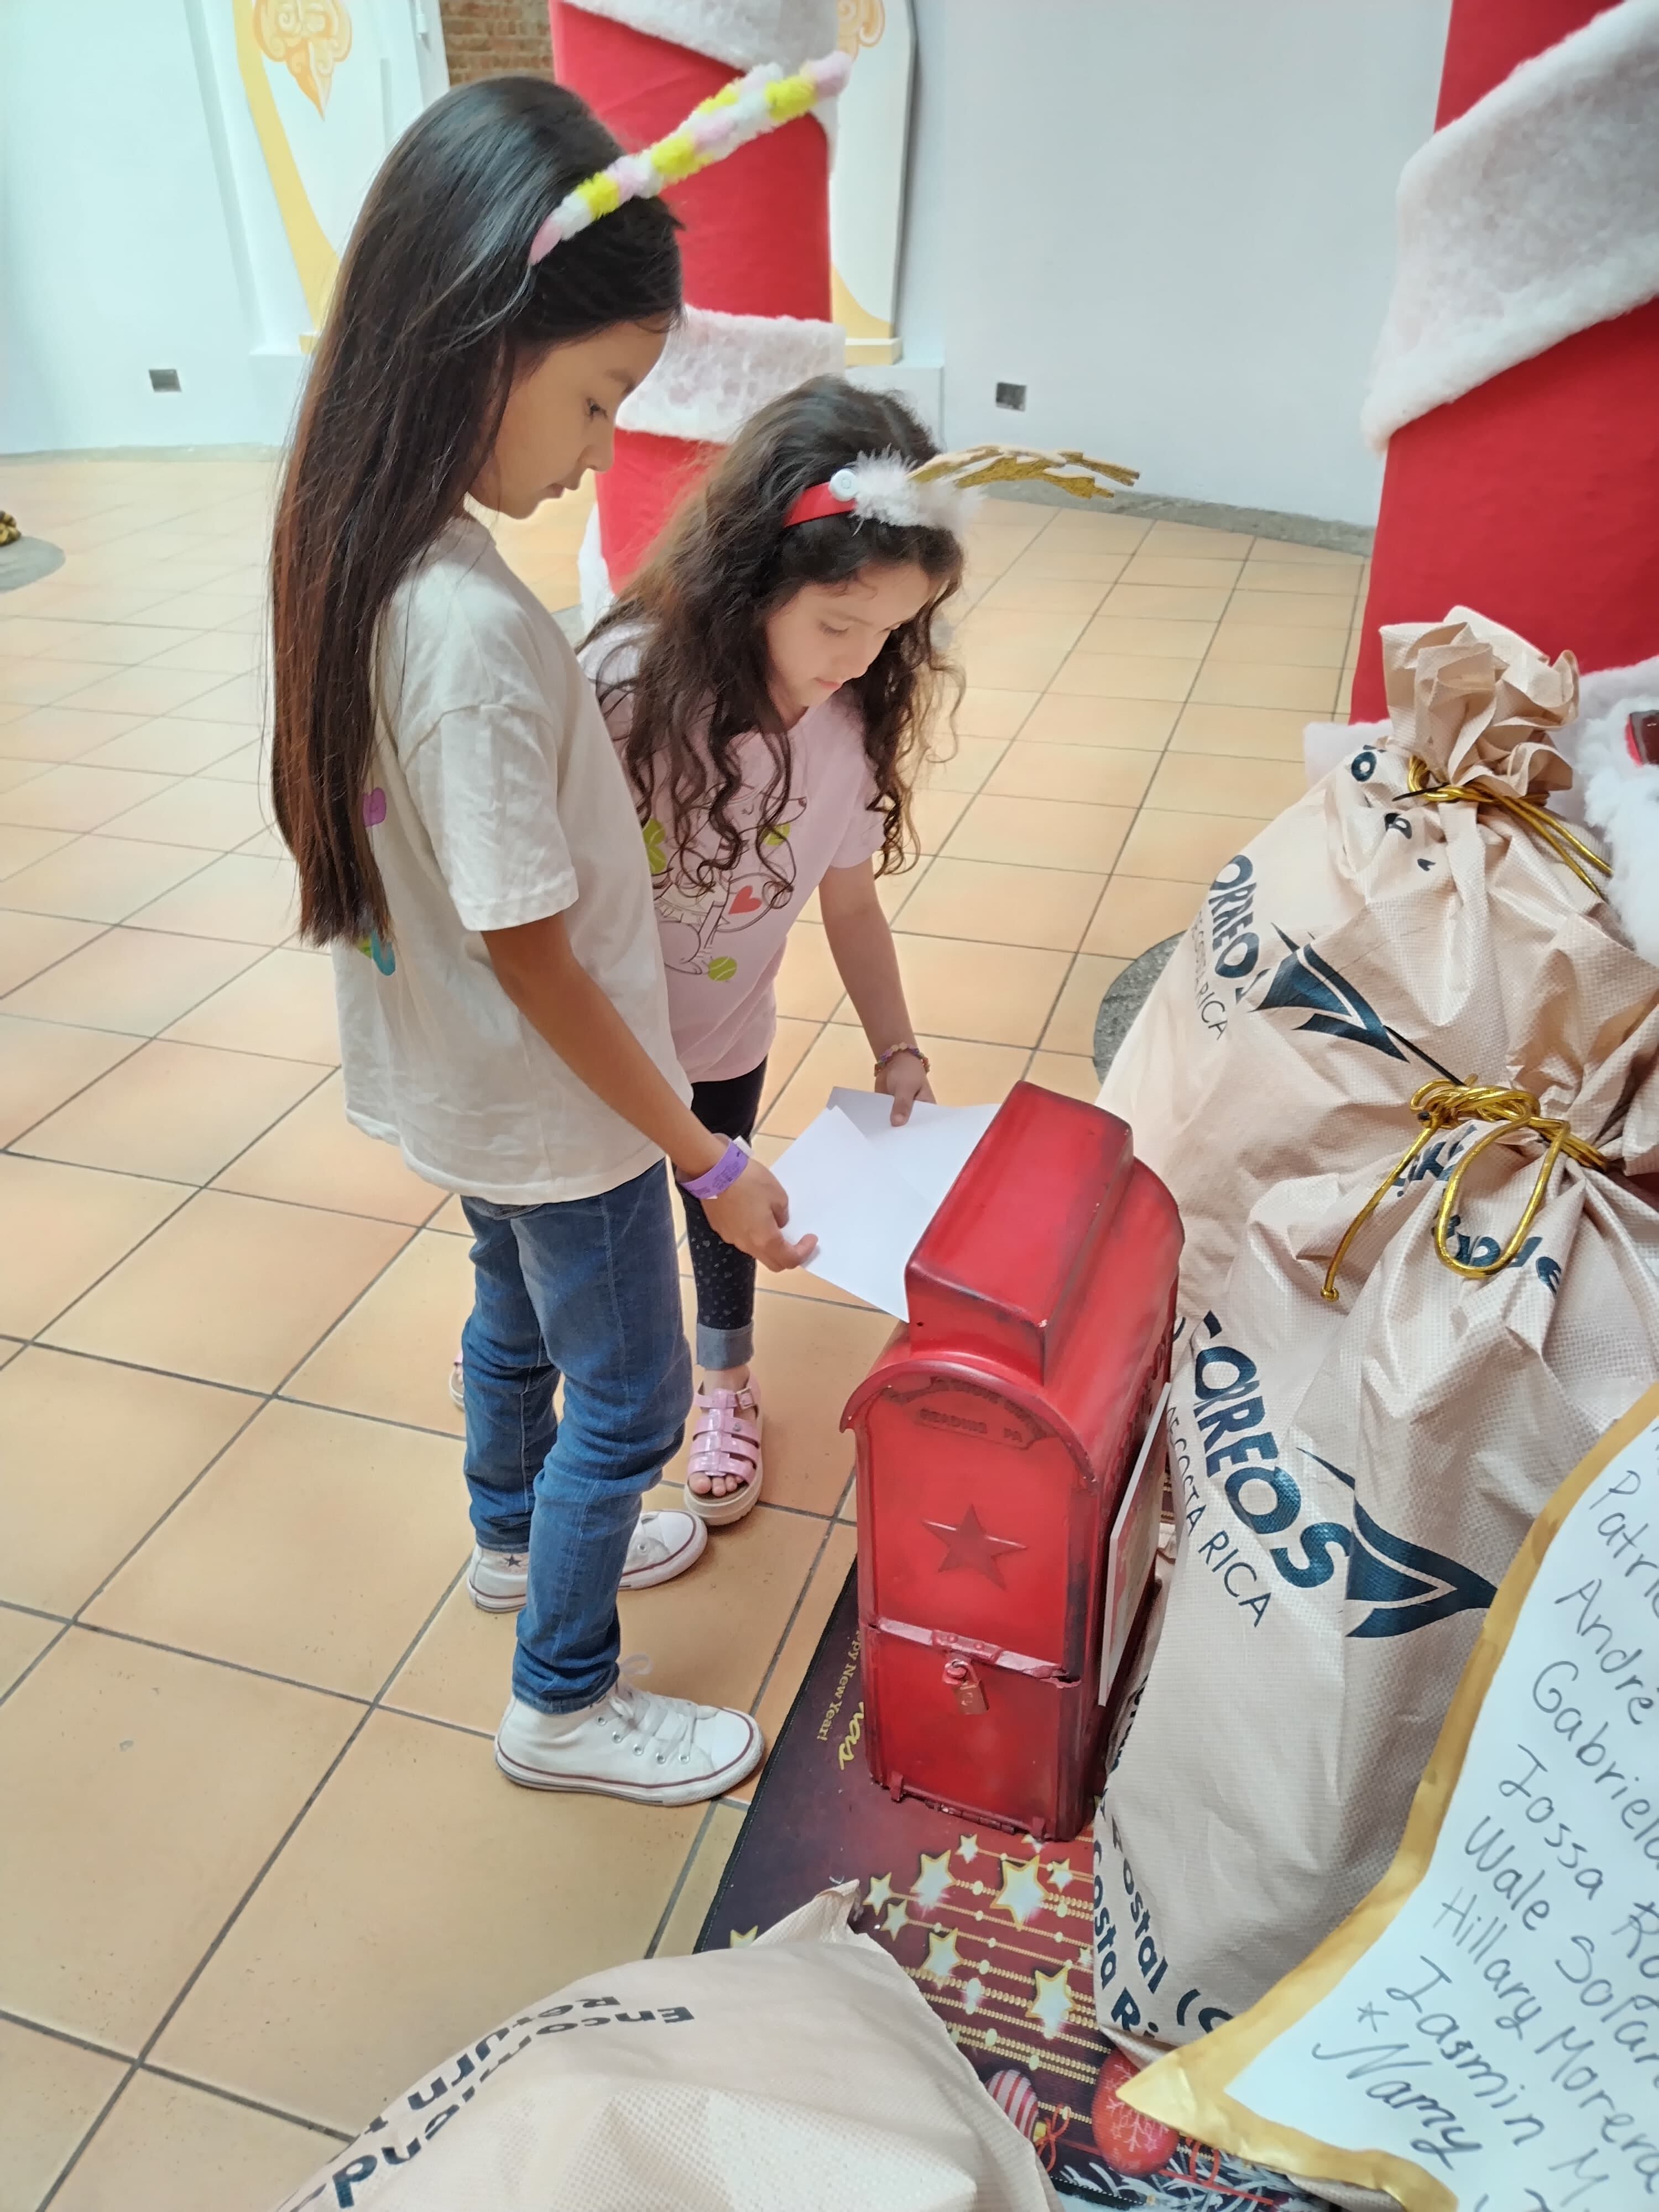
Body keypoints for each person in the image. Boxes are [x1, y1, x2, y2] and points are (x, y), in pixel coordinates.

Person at [268, 75, 825, 1808]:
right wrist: (704, 1159)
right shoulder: (468, 634)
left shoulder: (371, 550)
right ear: (479, 339)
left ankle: (511, 1537)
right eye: (596, 400)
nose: (600, 453)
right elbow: (536, 953)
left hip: (474, 1097)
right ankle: (565, 1699)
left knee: (511, 1318)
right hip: (564, 1116)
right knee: (634, 1399)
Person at [452, 378, 966, 1524]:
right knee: (565, 1249)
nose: (862, 658)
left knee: (729, 1215)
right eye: (838, 625)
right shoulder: (626, 692)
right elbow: (524, 910)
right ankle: (516, 1374)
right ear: (756, 574)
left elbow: (850, 906)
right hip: (587, 1052)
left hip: (723, 1037)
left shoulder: (849, 728)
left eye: (893, 631)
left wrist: (899, 1050)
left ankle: (726, 1384)